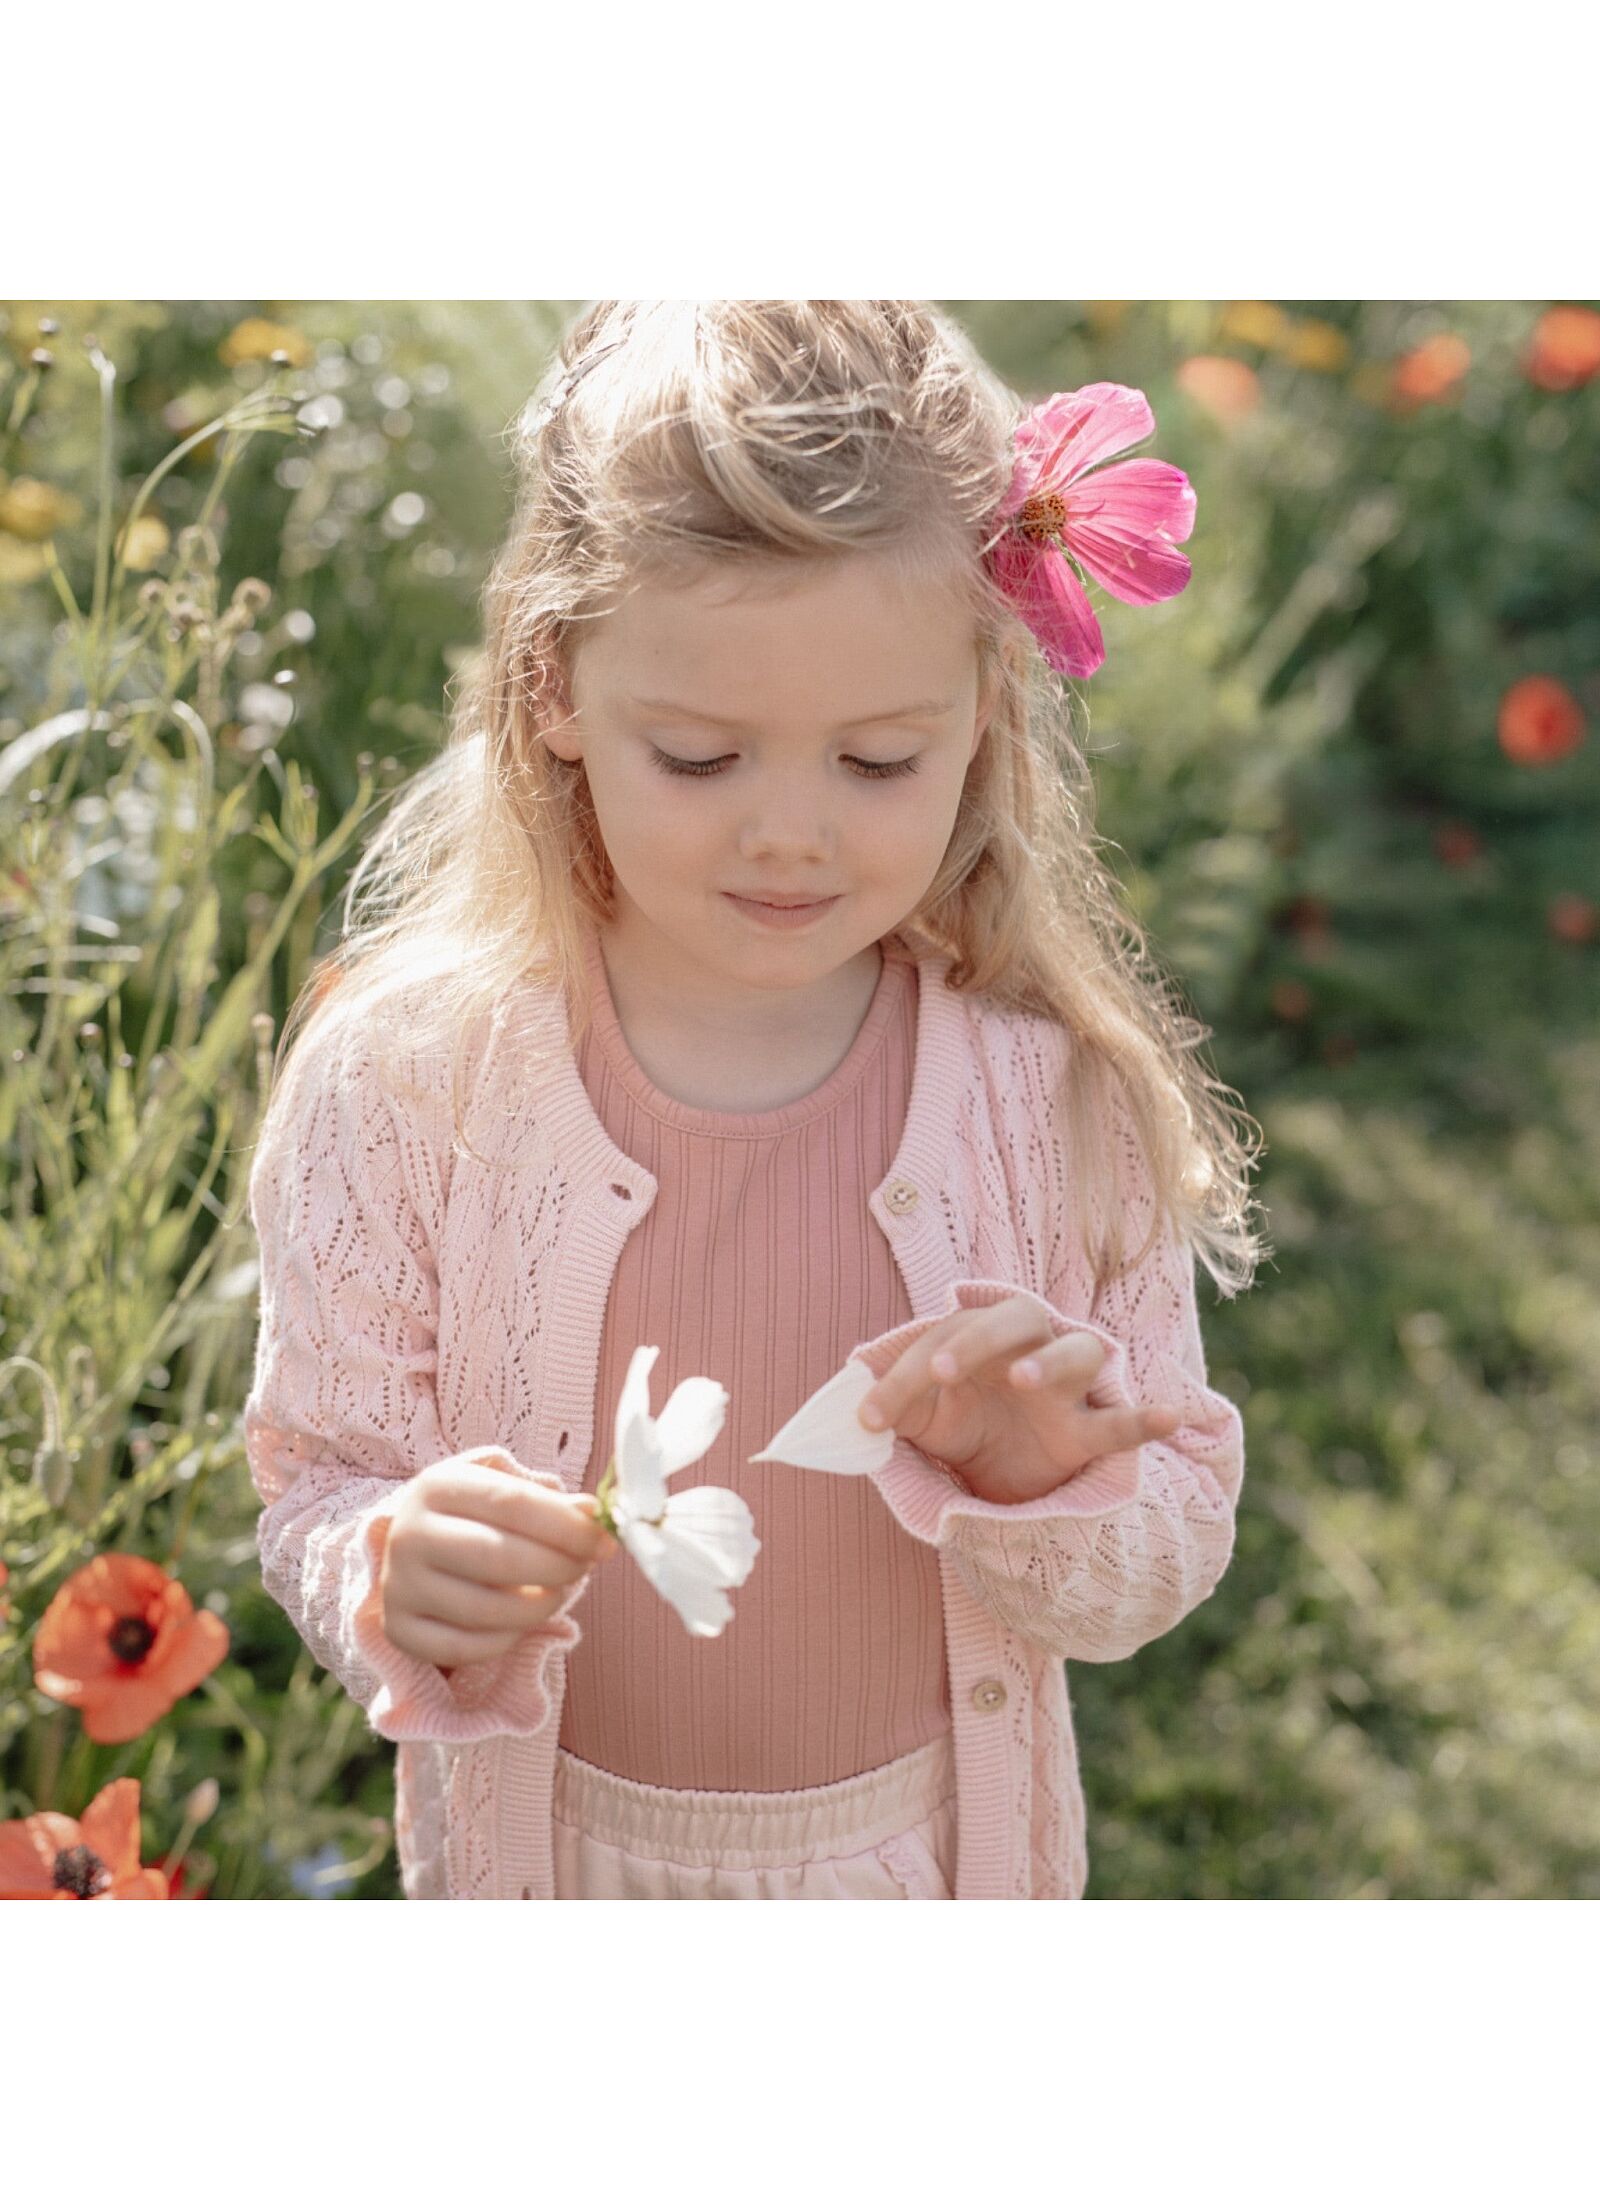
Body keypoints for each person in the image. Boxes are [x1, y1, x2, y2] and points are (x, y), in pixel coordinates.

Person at [243, 300, 1268, 1900]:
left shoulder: (1047, 1098)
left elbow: (1158, 1557)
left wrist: (1038, 1480)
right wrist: (392, 1562)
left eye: (874, 763)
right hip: (552, 1874)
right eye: (703, 757)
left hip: (930, 1869)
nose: (789, 835)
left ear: (982, 717)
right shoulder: (408, 1082)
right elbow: (320, 1474)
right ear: (553, 693)